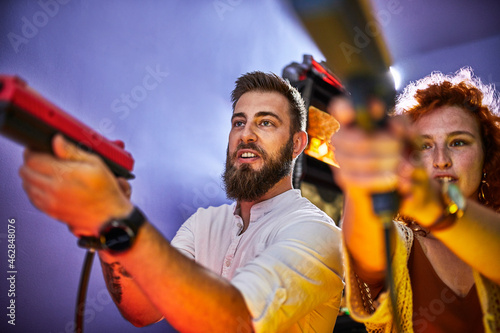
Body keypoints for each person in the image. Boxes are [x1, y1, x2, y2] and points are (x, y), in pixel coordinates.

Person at [19, 71, 344, 332]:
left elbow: (236, 322)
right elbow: (143, 311)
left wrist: (120, 216)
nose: (246, 134)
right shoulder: (205, 222)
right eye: (238, 122)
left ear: (297, 144)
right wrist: (106, 228)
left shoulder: (316, 232)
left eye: (266, 122)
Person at [330, 67, 500, 332]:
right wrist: (363, 182)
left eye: (458, 142)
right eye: (424, 145)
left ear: (487, 157)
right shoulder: (402, 245)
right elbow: (367, 255)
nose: (441, 159)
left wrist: (436, 207)